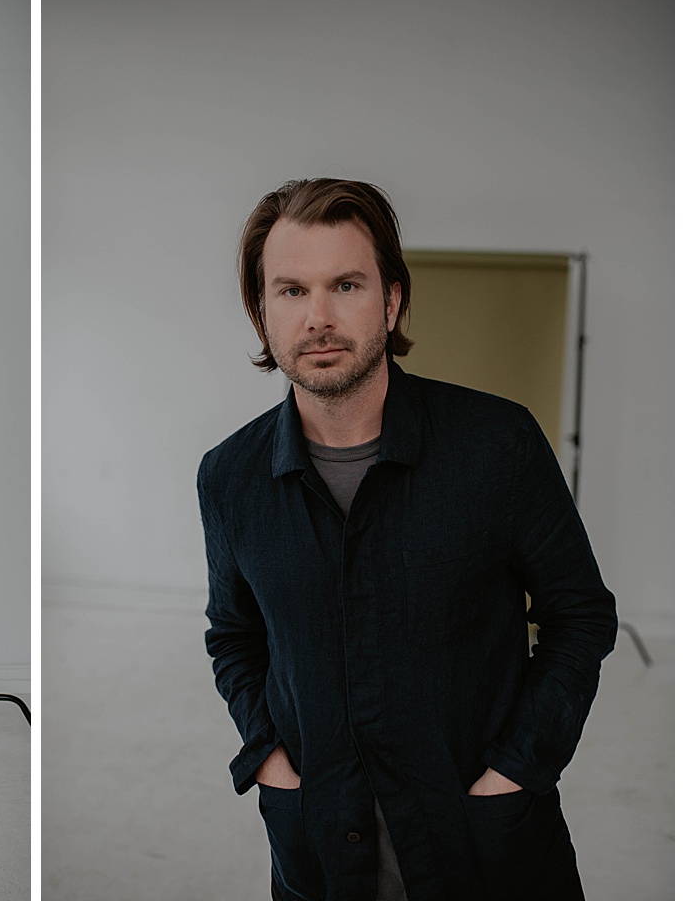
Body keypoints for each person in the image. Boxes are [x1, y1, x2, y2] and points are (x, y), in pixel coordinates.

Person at [197, 178, 617, 900]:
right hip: (321, 853)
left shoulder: (499, 445)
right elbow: (235, 636)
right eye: (291, 291)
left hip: (486, 851)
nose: (319, 317)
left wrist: (517, 767)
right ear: (261, 312)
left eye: (347, 285)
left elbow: (580, 616)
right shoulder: (229, 477)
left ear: (392, 301)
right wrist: (268, 758)